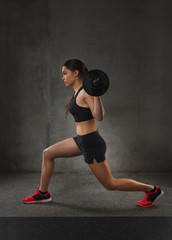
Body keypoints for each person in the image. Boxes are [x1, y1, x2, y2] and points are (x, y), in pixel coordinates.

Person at [22, 59, 164, 207]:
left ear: (76, 73)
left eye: (65, 73)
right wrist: (93, 91)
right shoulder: (79, 91)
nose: (62, 77)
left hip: (91, 143)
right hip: (81, 140)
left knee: (110, 184)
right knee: (48, 153)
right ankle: (43, 193)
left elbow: (99, 116)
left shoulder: (86, 92)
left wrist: (96, 93)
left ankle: (152, 190)